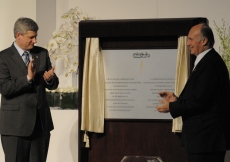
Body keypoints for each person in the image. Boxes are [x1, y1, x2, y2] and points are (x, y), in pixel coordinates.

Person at [156, 23, 230, 162]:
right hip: (203, 142)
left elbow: (199, 101)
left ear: (204, 41)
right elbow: (202, 97)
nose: (187, 44)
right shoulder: (207, 62)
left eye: (190, 39)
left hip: (207, 143)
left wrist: (172, 107)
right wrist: (177, 100)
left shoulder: (211, 64)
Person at [0, 17, 59, 162]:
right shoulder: (3, 57)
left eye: (36, 37)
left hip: (40, 126)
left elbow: (53, 84)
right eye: (31, 37)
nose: (35, 41)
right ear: (18, 35)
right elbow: (5, 88)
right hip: (15, 127)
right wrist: (27, 78)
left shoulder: (42, 53)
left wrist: (50, 79)